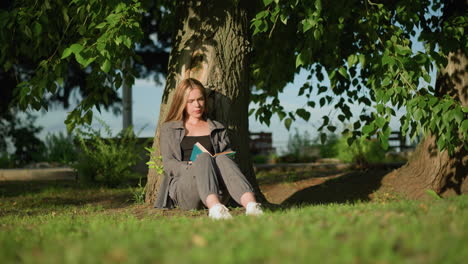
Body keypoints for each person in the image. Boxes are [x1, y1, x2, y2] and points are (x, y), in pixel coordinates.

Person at [154, 78, 263, 219]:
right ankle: (215, 209)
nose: (197, 105)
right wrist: (191, 165)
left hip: (217, 186)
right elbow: (169, 164)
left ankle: (252, 206)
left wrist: (219, 158)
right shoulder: (169, 129)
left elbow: (228, 158)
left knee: (222, 157)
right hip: (186, 188)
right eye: (191, 101)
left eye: (200, 99)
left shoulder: (217, 127)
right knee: (204, 158)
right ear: (182, 102)